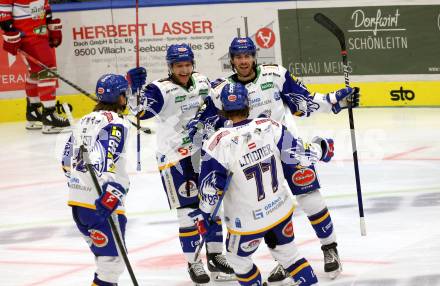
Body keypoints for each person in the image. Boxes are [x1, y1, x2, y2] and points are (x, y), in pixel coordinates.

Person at [188, 37, 360, 282]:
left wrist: (334, 101)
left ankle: (330, 248)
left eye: (247, 56)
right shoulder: (221, 90)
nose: (243, 61)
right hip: (248, 156)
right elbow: (204, 125)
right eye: (238, 57)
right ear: (232, 60)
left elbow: (303, 102)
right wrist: (199, 131)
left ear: (254, 56)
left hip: (283, 142)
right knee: (264, 207)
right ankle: (284, 259)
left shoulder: (276, 75)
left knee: (309, 196)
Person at [191, 82, 337, 285]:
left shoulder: (216, 143)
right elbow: (300, 156)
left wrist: (204, 217)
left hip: (246, 223)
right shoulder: (271, 126)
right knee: (290, 256)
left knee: (238, 260)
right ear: (248, 105)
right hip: (280, 212)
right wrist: (323, 148)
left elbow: (209, 190)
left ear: (222, 110)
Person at [126, 44, 235, 285]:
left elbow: (220, 103)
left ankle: (216, 257)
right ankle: (193, 262)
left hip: (205, 154)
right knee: (187, 213)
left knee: (212, 204)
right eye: (178, 66)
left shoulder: (202, 81)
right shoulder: (159, 89)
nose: (184, 70)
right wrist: (134, 89)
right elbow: (140, 112)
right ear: (170, 67)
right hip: (176, 159)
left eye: (187, 65)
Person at [61, 74, 131, 285]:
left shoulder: (82, 121)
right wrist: (111, 193)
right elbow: (107, 158)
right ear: (120, 98)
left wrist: (79, 184)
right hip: (101, 203)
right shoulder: (116, 123)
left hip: (78, 202)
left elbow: (66, 163)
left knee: (108, 263)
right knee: (112, 264)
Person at [0, 0, 68, 133]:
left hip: (40, 34)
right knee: (47, 69)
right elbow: (3, 14)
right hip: (28, 37)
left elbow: (45, 7)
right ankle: (49, 117)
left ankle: (34, 113)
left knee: (36, 73)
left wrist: (50, 26)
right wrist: (11, 32)